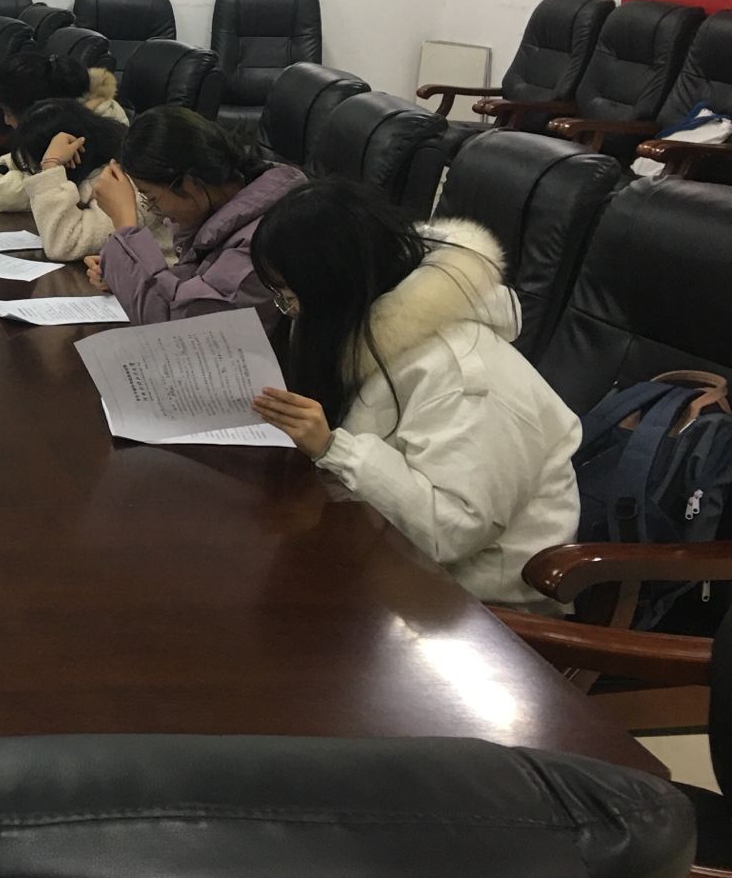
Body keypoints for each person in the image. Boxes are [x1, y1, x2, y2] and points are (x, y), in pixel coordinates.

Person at [247, 180, 580, 609]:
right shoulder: (371, 337)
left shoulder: (463, 375)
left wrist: (335, 449)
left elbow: (452, 531)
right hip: (389, 564)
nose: (291, 312)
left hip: (481, 608)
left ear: (332, 287)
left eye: (292, 296)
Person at [88, 105, 305, 325]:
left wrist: (125, 223)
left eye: (152, 199)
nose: (159, 213)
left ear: (191, 183)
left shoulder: (264, 239)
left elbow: (180, 324)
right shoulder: (227, 208)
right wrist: (126, 273)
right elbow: (194, 284)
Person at [0, 53, 125, 212]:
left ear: (37, 110)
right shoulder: (66, 116)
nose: (6, 121)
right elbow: (29, 164)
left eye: (9, 113)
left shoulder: (80, 133)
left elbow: (30, 191)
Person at [4, 98, 131, 261]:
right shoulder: (95, 164)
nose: (38, 172)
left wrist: (50, 165)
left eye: (38, 167)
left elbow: (62, 246)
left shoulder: (116, 179)